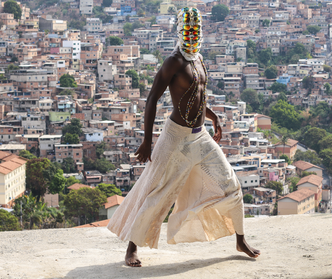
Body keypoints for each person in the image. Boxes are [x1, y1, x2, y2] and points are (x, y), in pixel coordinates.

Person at [107, 7, 260, 267]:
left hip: (200, 138)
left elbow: (198, 96)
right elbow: (152, 99)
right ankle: (131, 248)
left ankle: (240, 238)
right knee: (157, 193)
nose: (191, 34)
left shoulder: (198, 59)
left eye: (195, 30)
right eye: (187, 29)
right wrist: (147, 140)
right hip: (175, 138)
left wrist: (214, 117)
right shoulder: (174, 62)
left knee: (231, 184)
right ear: (179, 30)